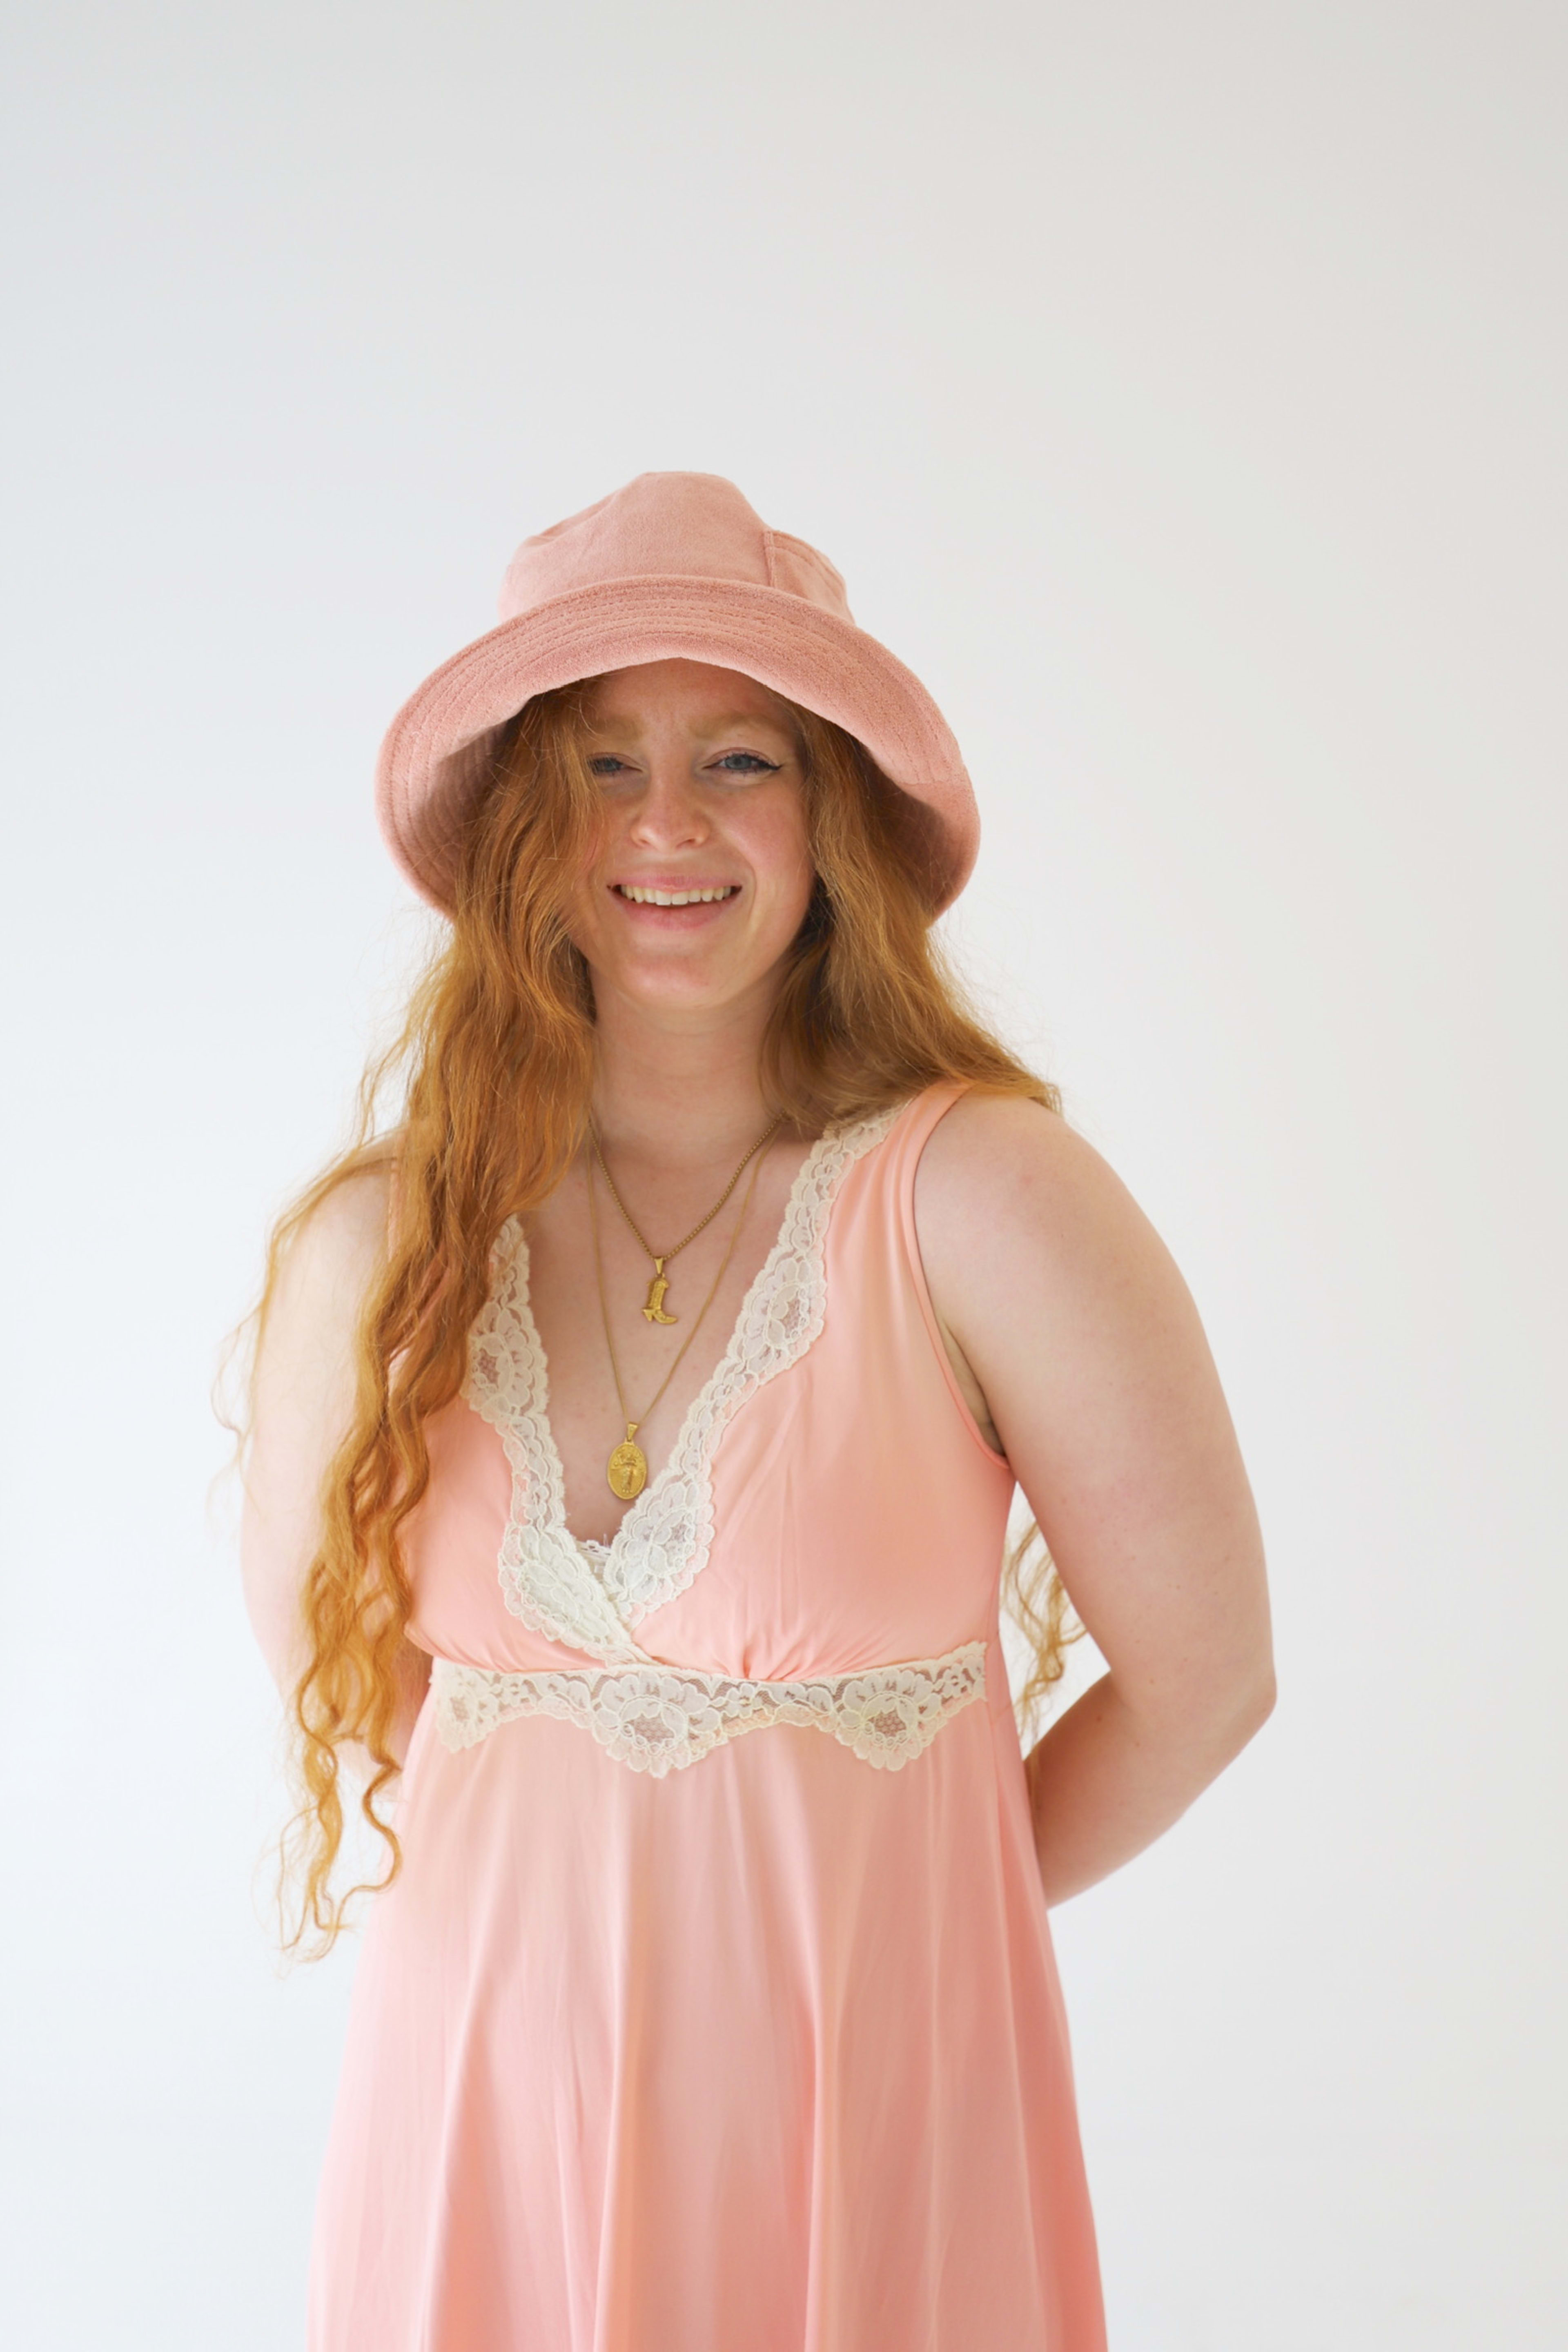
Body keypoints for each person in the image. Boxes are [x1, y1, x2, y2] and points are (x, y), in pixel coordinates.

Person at [239, 471, 1275, 2352]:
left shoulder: (987, 1202)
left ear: (832, 824)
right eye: (600, 766)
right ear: (517, 835)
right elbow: (350, 1675)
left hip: (873, 2128)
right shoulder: (382, 1247)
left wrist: (903, 1924)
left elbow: (1210, 1678)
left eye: (741, 760)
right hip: (483, 2130)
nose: (666, 828)